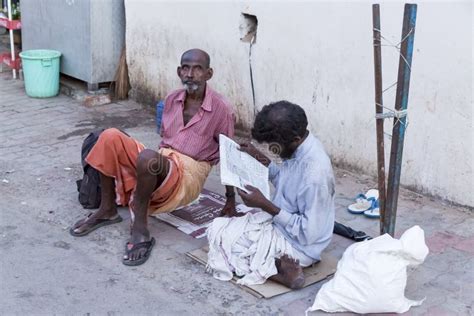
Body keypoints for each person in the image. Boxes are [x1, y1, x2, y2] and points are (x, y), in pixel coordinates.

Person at [70, 49, 236, 266]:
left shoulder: (221, 108)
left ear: (208, 74)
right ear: (179, 71)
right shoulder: (172, 99)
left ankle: (141, 230)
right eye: (185, 68)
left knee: (148, 158)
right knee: (108, 135)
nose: (190, 73)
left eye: (197, 69)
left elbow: (229, 153)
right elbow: (165, 141)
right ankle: (107, 209)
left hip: (189, 173)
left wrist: (231, 198)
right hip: (164, 162)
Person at [207, 101, 335, 289]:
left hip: (300, 246)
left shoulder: (315, 174)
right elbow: (283, 179)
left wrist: (265, 205)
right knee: (218, 228)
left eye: (275, 147)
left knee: (226, 241)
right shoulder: (299, 149)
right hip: (280, 226)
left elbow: (309, 235)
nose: (273, 150)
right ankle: (273, 264)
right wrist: (257, 157)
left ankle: (283, 272)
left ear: (296, 139)